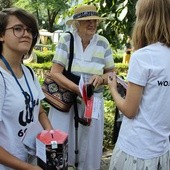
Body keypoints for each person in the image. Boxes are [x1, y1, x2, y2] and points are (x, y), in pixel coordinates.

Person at [48, 4, 114, 170]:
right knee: (61, 144)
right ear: (76, 23)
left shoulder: (103, 43)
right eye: (86, 21)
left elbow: (111, 75)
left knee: (90, 147)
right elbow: (55, 72)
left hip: (93, 102)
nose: (92, 23)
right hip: (67, 102)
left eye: (94, 20)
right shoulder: (67, 39)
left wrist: (101, 78)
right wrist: (78, 89)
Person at [108, 0, 170, 169]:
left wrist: (113, 88)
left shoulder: (143, 56)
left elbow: (129, 110)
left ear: (145, 19)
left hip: (135, 150)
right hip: (162, 150)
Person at [0, 7, 53, 170]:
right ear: (1, 35)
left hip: (30, 159)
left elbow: (39, 110)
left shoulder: (28, 72)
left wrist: (50, 134)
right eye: (18, 29)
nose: (26, 34)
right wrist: (28, 168)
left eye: (30, 30)